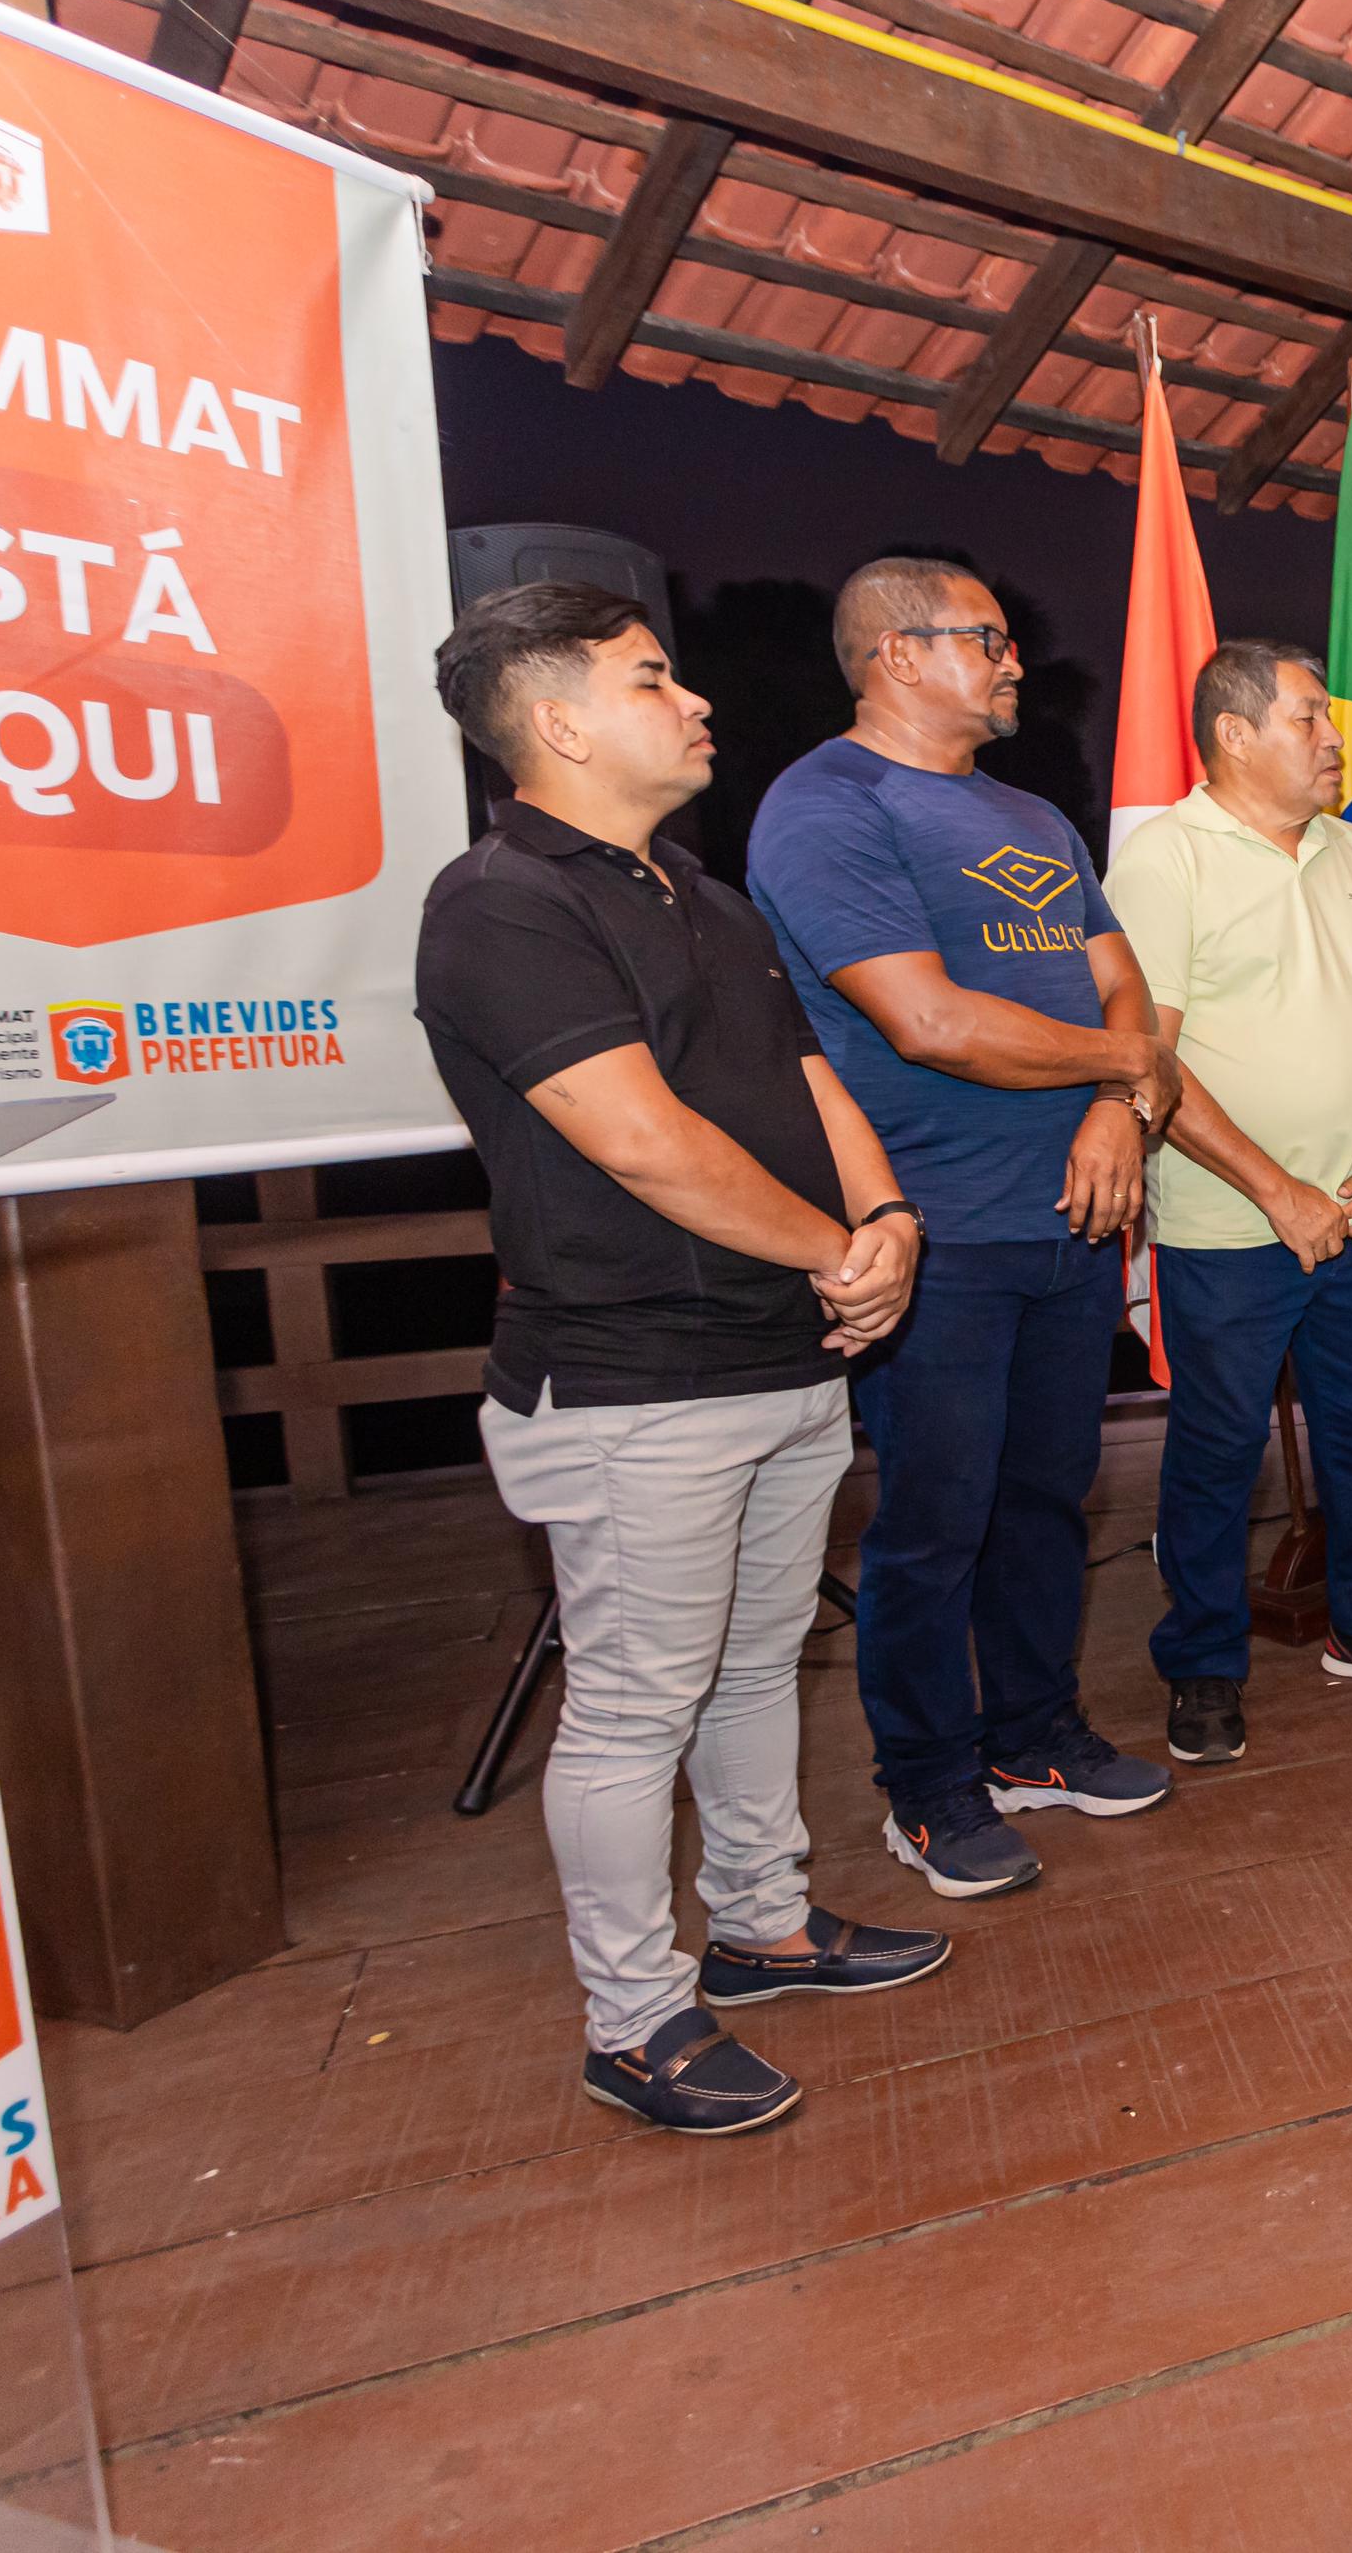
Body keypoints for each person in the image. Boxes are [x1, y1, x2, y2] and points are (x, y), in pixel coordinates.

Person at [415, 581, 944, 2140]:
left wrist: (888, 1218)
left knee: (758, 1663)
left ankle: (763, 1923)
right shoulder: (502, 901)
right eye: (652, 678)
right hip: (628, 1374)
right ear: (559, 722)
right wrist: (839, 1252)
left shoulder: (699, 892)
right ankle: (634, 2018)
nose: (696, 700)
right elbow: (640, 1139)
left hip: (782, 1348)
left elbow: (808, 1078)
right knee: (635, 1702)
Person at [747, 557, 1180, 1901]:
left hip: (1072, 1218)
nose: (1013, 662)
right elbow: (930, 1022)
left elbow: (1123, 983)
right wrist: (1125, 1066)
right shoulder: (826, 806)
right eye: (987, 640)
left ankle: (1034, 1736)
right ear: (897, 653)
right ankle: (927, 1786)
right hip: (933, 1232)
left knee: (1051, 1495)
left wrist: (1115, 1104)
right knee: (935, 1520)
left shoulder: (1031, 813)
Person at [1106, 638, 1352, 1764]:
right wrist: (1278, 1192)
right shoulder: (1165, 860)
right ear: (1233, 733)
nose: (1331, 736)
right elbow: (1149, 1061)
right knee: (1217, 1450)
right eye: (1306, 717)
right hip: (1231, 1227)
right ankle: (1204, 1664)